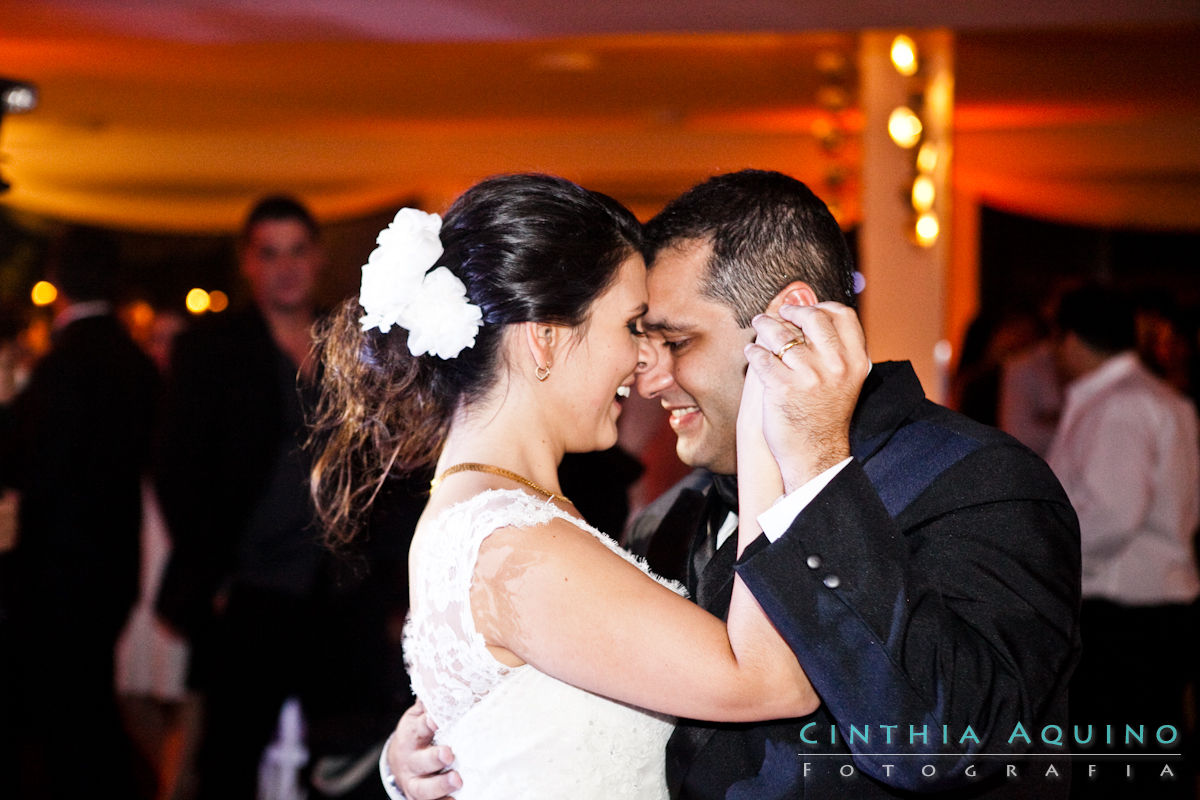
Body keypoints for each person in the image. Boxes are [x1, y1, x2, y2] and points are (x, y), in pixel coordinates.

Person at [388, 170, 1082, 799]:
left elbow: (948, 744)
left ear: (789, 322)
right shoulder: (666, 520)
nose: (649, 377)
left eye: (676, 341)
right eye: (637, 335)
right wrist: (446, 753)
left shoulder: (981, 484)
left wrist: (810, 467)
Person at [308, 173, 828, 800]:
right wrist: (769, 419)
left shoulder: (492, 515)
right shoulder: (514, 547)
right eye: (632, 326)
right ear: (545, 338)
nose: (644, 360)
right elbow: (773, 682)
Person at [153, 195, 414, 800]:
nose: (285, 267)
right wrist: (207, 570)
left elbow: (386, 463)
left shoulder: (353, 345)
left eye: (297, 251)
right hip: (250, 590)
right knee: (229, 760)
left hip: (343, 591)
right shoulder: (213, 349)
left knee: (347, 761)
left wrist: (390, 585)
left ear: (318, 258)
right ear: (249, 263)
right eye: (270, 254)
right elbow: (176, 467)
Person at [0, 226, 160, 799]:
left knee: (63, 715)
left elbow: (30, 466)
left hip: (55, 570)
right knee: (89, 695)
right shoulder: (136, 364)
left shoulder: (58, 366)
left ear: (58, 279)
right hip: (114, 561)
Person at [1045, 284, 1199, 799]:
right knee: (1149, 764)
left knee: (1117, 771)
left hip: (1123, 613)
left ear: (1069, 339)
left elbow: (1111, 514)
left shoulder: (1120, 404)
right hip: (1152, 609)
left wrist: (1046, 564)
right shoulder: (1158, 398)